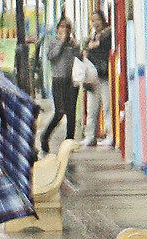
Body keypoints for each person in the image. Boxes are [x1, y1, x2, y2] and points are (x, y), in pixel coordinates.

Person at [37, 17, 78, 154]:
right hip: (58, 79)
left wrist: (75, 45)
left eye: (67, 27)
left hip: (71, 80)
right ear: (57, 28)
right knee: (60, 112)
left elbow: (79, 57)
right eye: (61, 26)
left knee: (71, 112)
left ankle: (69, 141)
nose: (64, 29)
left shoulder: (71, 43)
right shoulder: (53, 41)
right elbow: (51, 56)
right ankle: (45, 136)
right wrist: (61, 42)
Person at [78, 13, 112, 145]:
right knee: (92, 108)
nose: (95, 23)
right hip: (92, 78)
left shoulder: (107, 34)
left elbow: (104, 47)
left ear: (102, 20)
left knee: (107, 106)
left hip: (104, 75)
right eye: (92, 21)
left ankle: (110, 134)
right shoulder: (91, 37)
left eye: (97, 20)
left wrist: (96, 45)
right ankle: (90, 136)